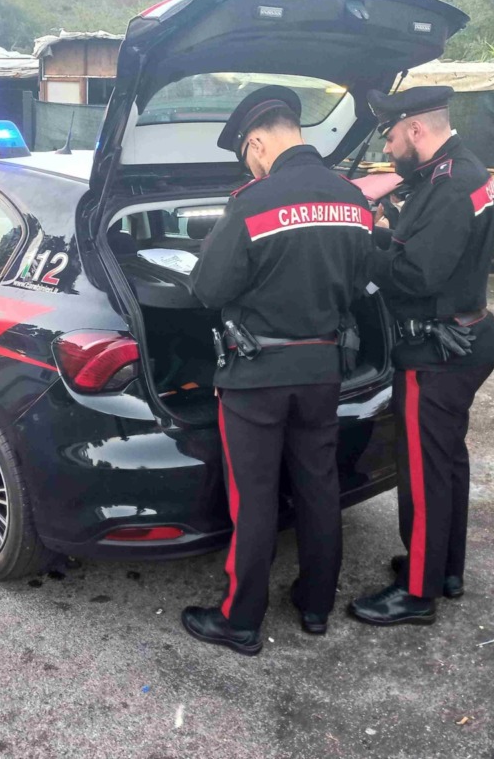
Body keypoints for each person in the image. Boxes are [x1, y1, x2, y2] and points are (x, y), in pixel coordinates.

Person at [181, 86, 374, 656]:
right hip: (323, 371)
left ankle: (240, 620)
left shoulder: (252, 202)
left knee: (256, 497)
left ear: (260, 143)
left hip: (257, 376)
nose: (250, 163)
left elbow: (209, 289)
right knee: (319, 487)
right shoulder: (354, 200)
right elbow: (363, 281)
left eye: (247, 154)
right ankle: (315, 606)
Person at [347, 86, 494, 627]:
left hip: (436, 352)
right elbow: (433, 250)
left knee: (423, 472)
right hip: (465, 337)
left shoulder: (449, 184)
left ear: (416, 128)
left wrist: (364, 243)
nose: (389, 149)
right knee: (447, 463)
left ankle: (416, 593)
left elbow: (416, 274)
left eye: (391, 136)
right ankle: (443, 568)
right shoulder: (463, 170)